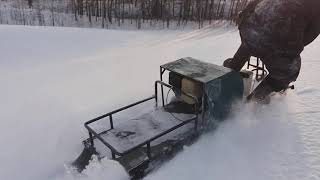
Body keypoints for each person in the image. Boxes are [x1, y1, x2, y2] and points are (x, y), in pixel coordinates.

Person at [223, 0, 320, 102]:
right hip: (276, 39)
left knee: (251, 41)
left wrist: (245, 20)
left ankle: (232, 67)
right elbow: (309, 35)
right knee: (288, 72)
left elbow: (254, 4)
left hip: (249, 27)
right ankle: (255, 100)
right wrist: (288, 51)